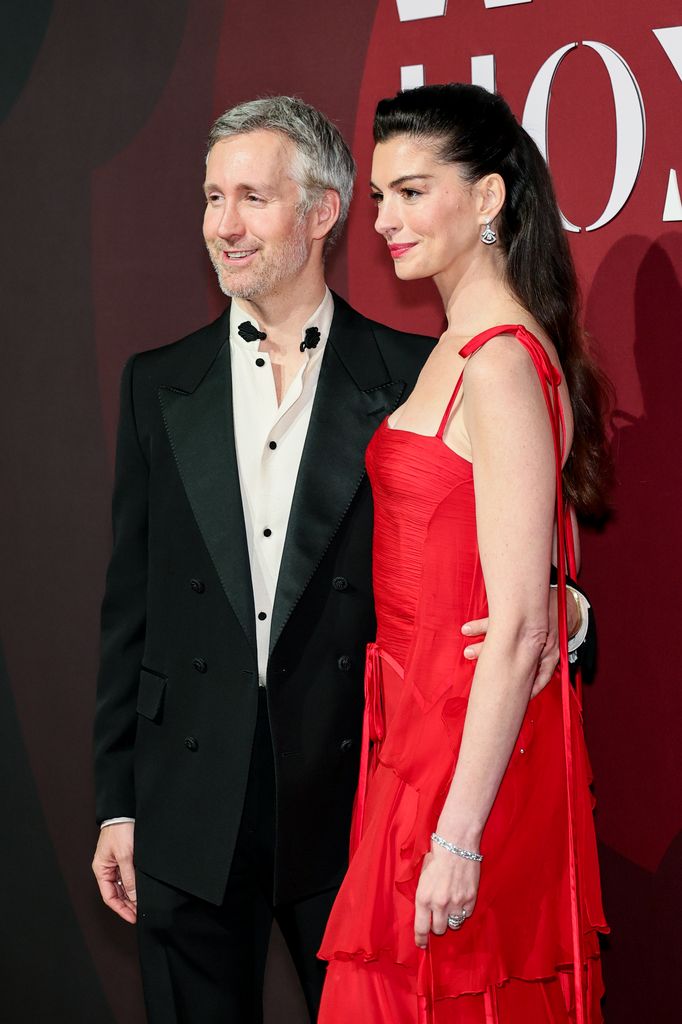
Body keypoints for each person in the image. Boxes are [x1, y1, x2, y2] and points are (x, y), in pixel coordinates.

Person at [91, 95, 590, 1023]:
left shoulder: (421, 370)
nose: (224, 225)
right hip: (190, 811)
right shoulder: (158, 383)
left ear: (321, 213)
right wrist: (118, 804)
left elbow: (501, 570)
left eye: (251, 197)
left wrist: (568, 613)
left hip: (356, 809)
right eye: (211, 198)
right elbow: (132, 608)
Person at [318, 84, 610, 1023]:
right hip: (416, 737)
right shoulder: (461, 345)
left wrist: (461, 836)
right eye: (378, 198)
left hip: (461, 759)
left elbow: (522, 621)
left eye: (412, 192)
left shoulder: (496, 359)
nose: (386, 220)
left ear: (488, 199)